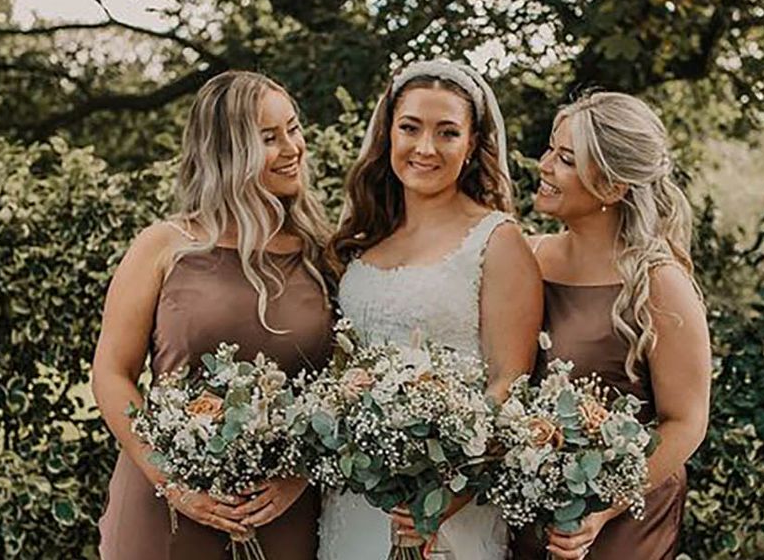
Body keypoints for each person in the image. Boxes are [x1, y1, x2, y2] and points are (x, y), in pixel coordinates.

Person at [94, 70, 334, 560]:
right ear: (227, 152)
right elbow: (112, 373)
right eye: (269, 138)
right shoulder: (163, 245)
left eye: (293, 128)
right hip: (168, 508)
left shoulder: (322, 254)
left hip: (281, 513)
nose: (292, 148)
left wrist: (297, 476)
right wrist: (172, 479)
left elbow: (341, 382)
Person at [318, 59, 543, 560]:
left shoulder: (497, 241)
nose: (425, 148)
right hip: (354, 496)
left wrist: (449, 491)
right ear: (388, 134)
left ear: (471, 146)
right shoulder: (364, 238)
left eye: (447, 133)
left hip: (451, 502)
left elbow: (510, 382)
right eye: (410, 128)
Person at [512, 91, 710, 560]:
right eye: (550, 149)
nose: (544, 165)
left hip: (620, 524)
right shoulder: (527, 256)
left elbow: (686, 421)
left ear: (613, 186)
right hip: (531, 508)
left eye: (566, 159)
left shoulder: (659, 283)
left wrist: (602, 509)